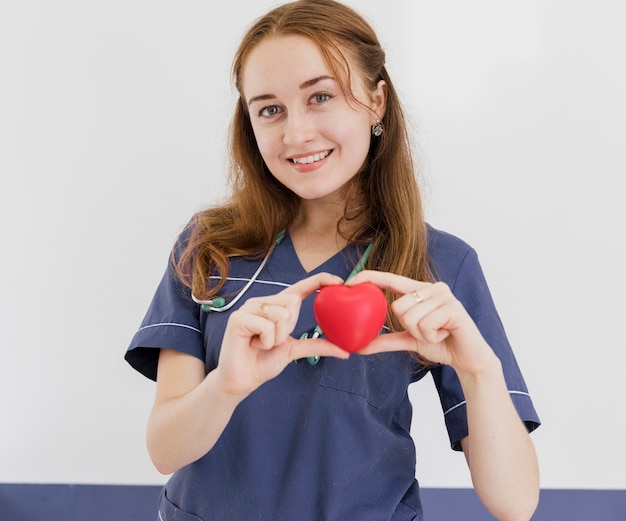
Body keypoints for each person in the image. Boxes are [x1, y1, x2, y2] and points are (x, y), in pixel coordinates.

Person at [125, 0, 541, 519]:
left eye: (320, 96)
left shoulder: (439, 265)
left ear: (377, 103)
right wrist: (227, 386)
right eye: (269, 109)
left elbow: (515, 503)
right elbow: (164, 451)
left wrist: (479, 370)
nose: (295, 134)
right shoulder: (209, 247)